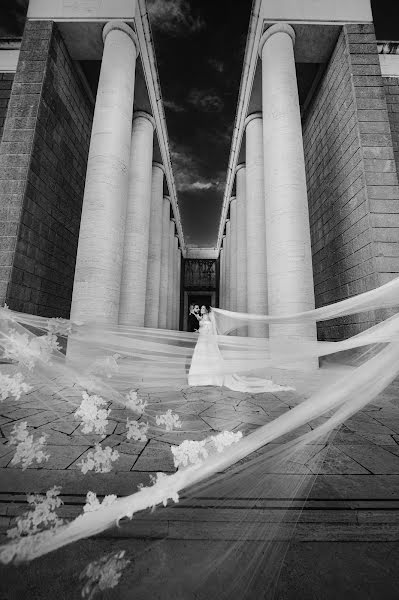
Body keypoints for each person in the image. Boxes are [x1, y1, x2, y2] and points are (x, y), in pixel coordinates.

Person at [188, 305, 293, 392]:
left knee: (208, 358)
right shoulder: (203, 318)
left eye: (202, 308)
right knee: (201, 358)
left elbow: (208, 329)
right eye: (200, 308)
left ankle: (208, 378)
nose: (201, 310)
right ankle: (202, 378)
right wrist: (194, 317)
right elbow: (200, 323)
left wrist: (201, 331)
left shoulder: (208, 318)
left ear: (206, 309)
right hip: (202, 341)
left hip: (206, 341)